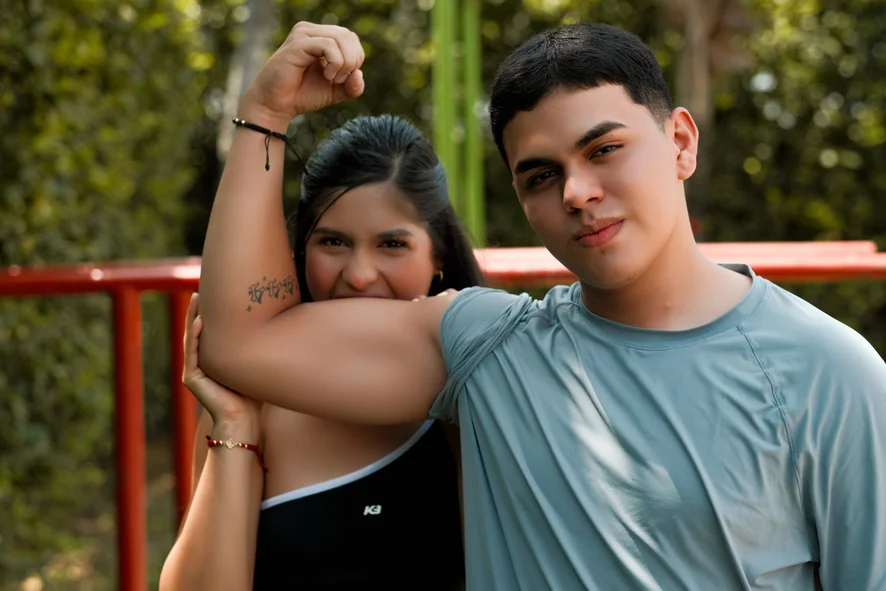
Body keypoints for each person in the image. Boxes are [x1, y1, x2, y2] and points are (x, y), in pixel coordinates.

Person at [195, 20, 886, 590]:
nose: (577, 192)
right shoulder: (489, 349)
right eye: (541, 175)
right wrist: (266, 114)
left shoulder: (828, 373)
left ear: (680, 142)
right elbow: (239, 341)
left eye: (604, 149)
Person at [159, 114, 482, 590]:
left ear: (438, 257)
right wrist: (234, 423)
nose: (359, 275)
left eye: (392, 244)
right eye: (333, 242)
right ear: (301, 249)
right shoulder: (256, 395)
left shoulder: (476, 380)